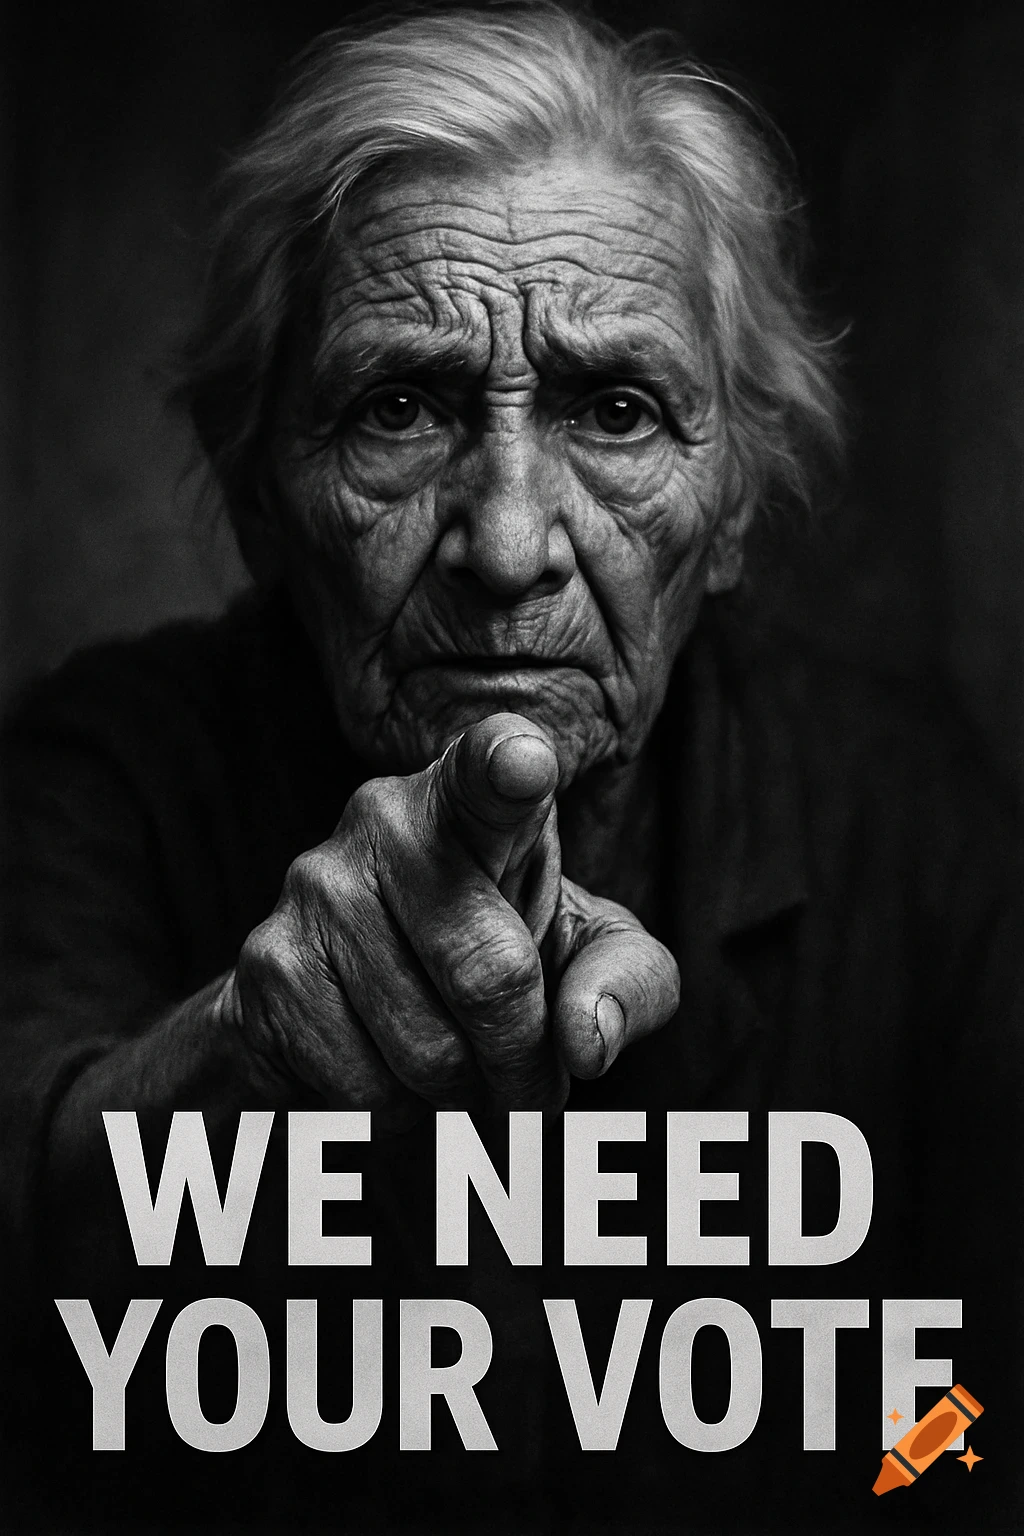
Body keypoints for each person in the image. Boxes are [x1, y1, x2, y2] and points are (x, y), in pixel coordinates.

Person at [1, 6, 1019, 1533]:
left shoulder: (909, 820)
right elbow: (23, 1298)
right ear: (261, 491)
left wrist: (842, 1494)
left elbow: (989, 1399)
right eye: (399, 407)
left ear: (734, 504)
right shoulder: (94, 779)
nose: (508, 544)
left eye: (617, 411)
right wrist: (248, 1060)